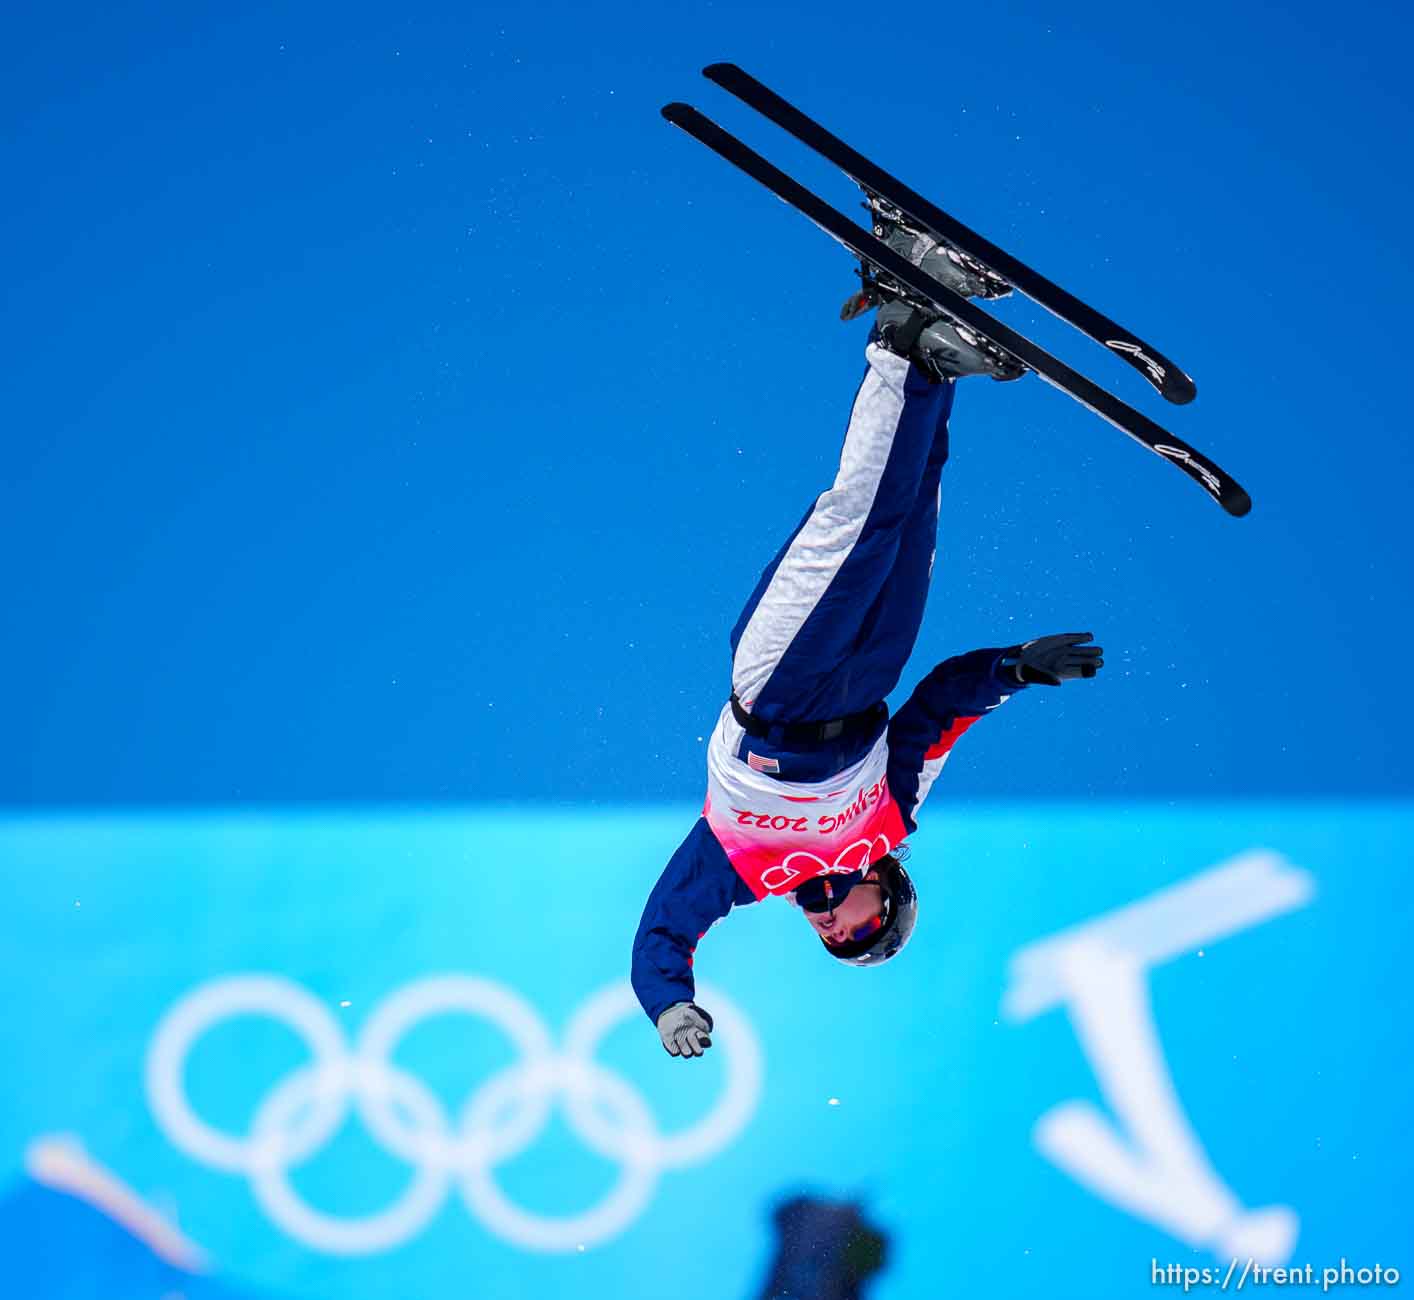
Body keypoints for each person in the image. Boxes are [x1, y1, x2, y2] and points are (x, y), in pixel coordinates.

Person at [631, 198, 1105, 1059]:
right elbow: (938, 713)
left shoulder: (741, 871)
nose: (833, 928)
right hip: (868, 682)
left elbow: (662, 932)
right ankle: (934, 353)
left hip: (777, 686)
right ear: (887, 889)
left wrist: (671, 1007)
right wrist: (1017, 669)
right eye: (860, 930)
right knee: (911, 513)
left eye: (832, 942)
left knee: (861, 519)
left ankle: (898, 330)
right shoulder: (891, 820)